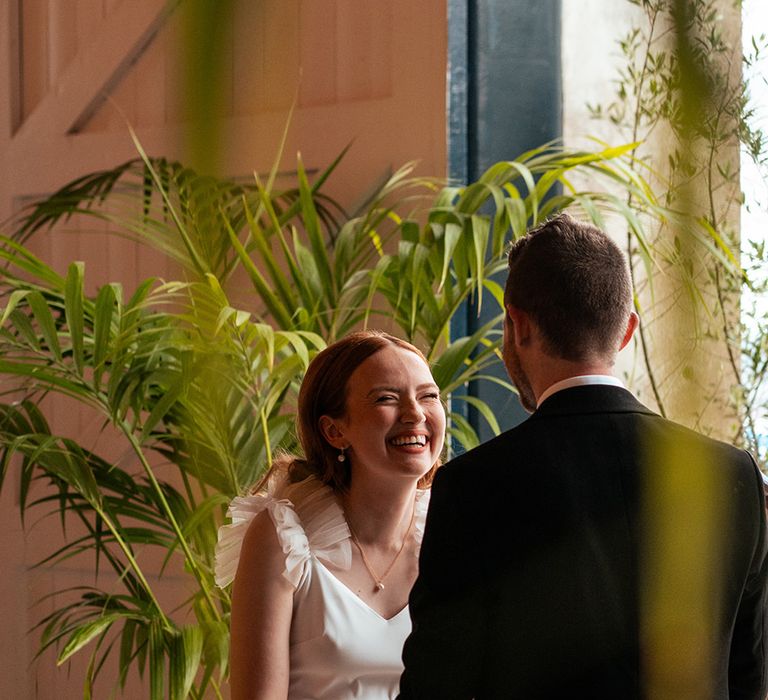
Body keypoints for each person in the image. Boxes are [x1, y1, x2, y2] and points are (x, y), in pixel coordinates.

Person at [399, 213, 768, 699]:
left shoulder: (474, 485)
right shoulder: (730, 474)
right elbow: (750, 679)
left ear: (517, 325)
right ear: (626, 330)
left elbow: (436, 687)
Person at [215, 330, 446, 700]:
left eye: (428, 396)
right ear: (334, 431)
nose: (415, 414)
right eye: (387, 398)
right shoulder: (284, 539)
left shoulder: (454, 530)